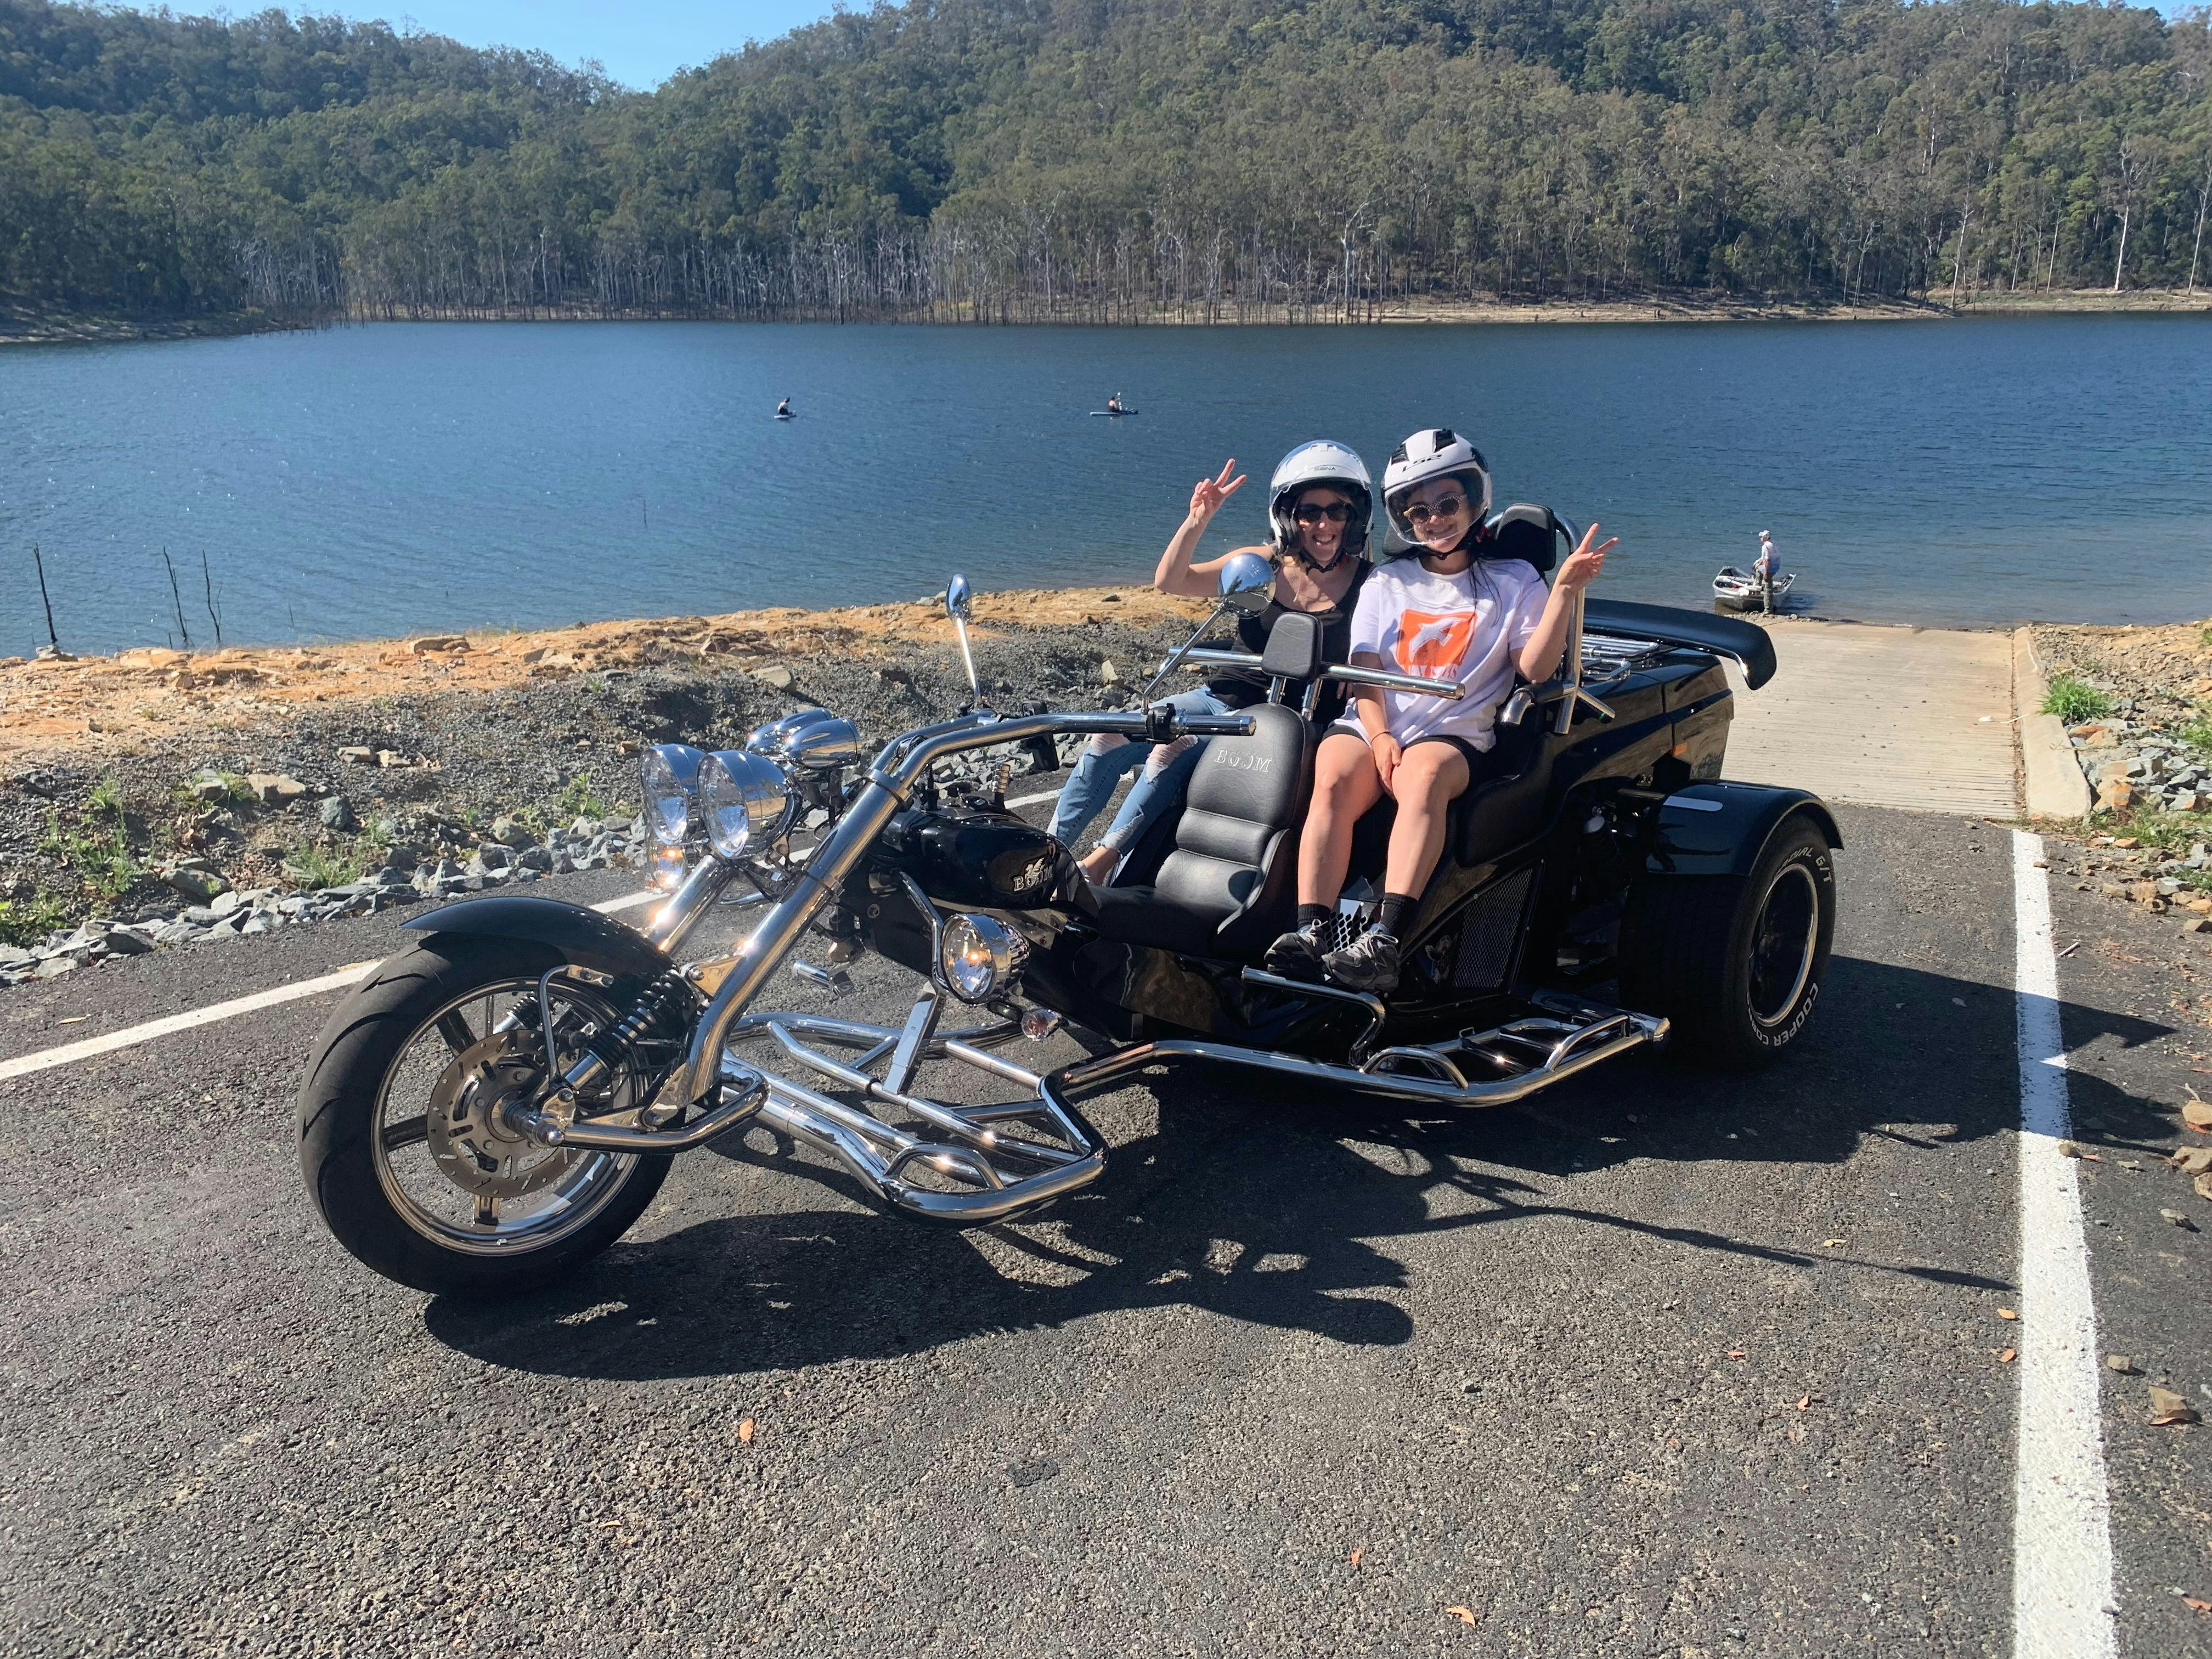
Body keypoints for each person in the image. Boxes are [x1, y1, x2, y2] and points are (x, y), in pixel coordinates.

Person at [1264, 427, 1615, 992]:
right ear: (1403, 517)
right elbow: (1365, 676)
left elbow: (1537, 668)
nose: (1435, 518)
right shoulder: (1387, 581)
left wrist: (1566, 591)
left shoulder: (1515, 580)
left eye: (1448, 503)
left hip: (1453, 733)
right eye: (1418, 509)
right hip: (1379, 724)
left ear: (1475, 500)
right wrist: (1378, 739)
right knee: (1328, 771)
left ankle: (1385, 941)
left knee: (1423, 775)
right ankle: (1313, 931)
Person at [1051, 441, 1375, 882]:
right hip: (1219, 697)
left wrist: (1368, 678)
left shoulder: (1371, 584)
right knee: (1109, 735)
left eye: (1336, 511)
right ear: (1288, 516)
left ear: (1354, 518)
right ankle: (1047, 854)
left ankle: (1096, 866)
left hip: (1283, 720)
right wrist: (1196, 521)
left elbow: (1395, 643)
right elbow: (1173, 580)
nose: (1322, 523)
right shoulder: (1263, 564)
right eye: (1309, 511)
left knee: (1170, 749)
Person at [1753, 529, 1778, 612]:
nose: (1760, 538)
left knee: (1768, 587)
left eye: (1761, 537)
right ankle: (1759, 585)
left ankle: (1768, 609)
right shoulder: (1772, 544)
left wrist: (1766, 573)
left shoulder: (1765, 546)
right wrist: (1759, 563)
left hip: (1770, 568)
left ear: (1765, 538)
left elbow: (1767, 561)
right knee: (1758, 568)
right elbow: (1765, 558)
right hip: (1776, 567)